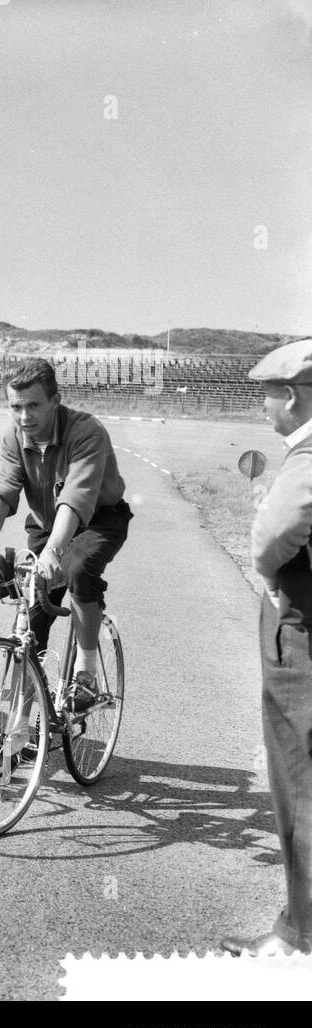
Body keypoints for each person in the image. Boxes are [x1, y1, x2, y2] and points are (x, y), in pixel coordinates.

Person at [0, 358, 132, 716]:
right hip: (46, 524)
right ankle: (18, 729)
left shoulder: (86, 431)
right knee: (30, 619)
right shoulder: (13, 437)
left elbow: (75, 499)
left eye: (33, 405)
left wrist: (54, 552)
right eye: (15, 406)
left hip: (99, 519)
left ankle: (86, 673)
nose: (24, 416)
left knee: (77, 568)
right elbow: (3, 492)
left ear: (55, 400)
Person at [221, 339, 312, 956]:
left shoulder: (306, 456)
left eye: (268, 394)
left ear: (293, 397)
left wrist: (270, 573)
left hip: (300, 619)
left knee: (297, 771)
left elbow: (277, 532)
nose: (263, 404)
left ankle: (299, 937)